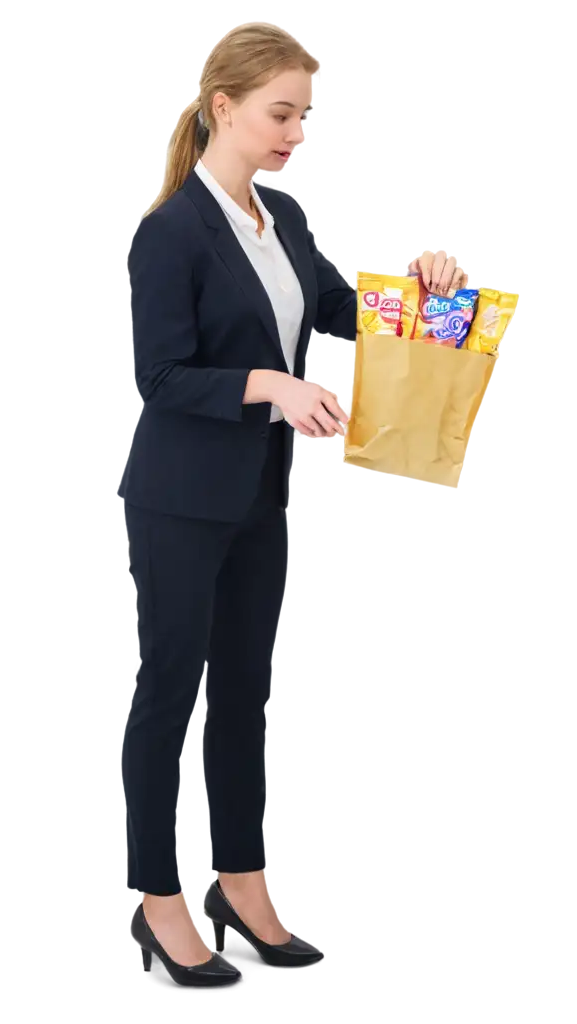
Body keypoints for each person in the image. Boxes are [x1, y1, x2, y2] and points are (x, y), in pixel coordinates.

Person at [120, 21, 470, 990]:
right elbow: (158, 374)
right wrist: (272, 388)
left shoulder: (284, 220)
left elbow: (327, 309)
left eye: (305, 117)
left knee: (243, 691)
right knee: (166, 694)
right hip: (181, 501)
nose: (296, 135)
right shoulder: (170, 233)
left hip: (259, 495)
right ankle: (158, 890)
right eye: (281, 114)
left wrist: (427, 290)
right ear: (223, 108)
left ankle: (240, 872)